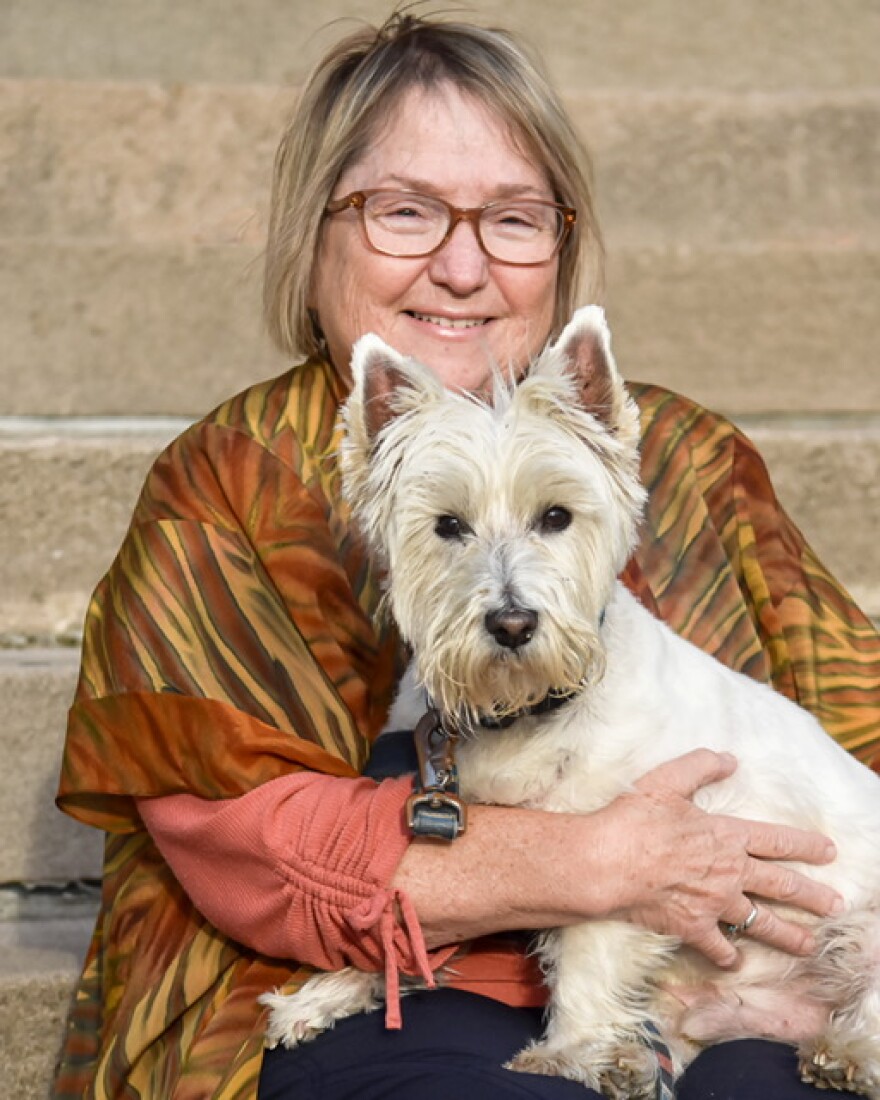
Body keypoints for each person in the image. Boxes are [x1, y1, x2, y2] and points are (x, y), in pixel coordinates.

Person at [53, 12, 880, 1100]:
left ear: (562, 245)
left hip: (726, 975)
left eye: (513, 218)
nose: (460, 265)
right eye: (405, 212)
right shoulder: (227, 481)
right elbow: (242, 842)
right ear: (316, 234)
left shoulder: (686, 454)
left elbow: (851, 717)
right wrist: (594, 859)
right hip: (384, 984)